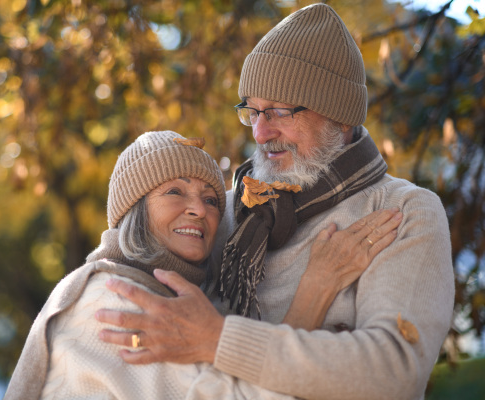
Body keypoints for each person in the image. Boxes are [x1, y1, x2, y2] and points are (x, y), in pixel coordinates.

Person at [95, 4, 455, 400]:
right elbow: (130, 276)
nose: (262, 132)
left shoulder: (402, 211)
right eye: (252, 111)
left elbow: (394, 373)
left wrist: (219, 340)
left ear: (341, 116)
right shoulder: (224, 212)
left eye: (280, 111)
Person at [4, 130, 400, 399]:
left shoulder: (177, 295)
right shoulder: (111, 300)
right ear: (135, 209)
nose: (199, 209)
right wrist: (318, 287)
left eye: (212, 199)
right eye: (174, 192)